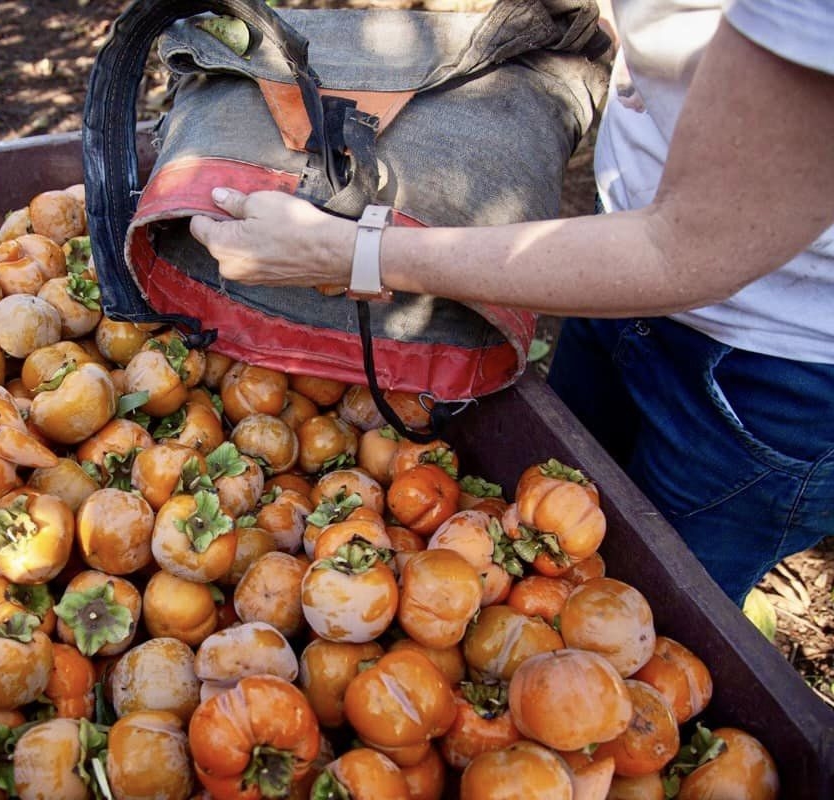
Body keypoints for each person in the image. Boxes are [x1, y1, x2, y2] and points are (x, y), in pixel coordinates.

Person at [188, 0, 834, 604]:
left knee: (653, 602)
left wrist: (354, 253)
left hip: (773, 368)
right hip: (606, 271)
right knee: (565, 533)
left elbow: (689, 252)